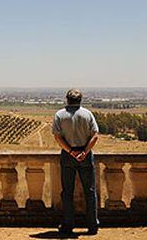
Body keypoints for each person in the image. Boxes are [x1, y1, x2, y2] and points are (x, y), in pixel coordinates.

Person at [52, 89, 99, 236]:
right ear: (80, 100)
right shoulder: (87, 114)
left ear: (67, 99)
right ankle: (92, 225)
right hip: (85, 155)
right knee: (90, 192)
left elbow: (58, 137)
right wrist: (84, 152)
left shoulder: (60, 115)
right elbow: (95, 135)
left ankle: (68, 224)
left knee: (67, 192)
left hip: (68, 155)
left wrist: (71, 152)